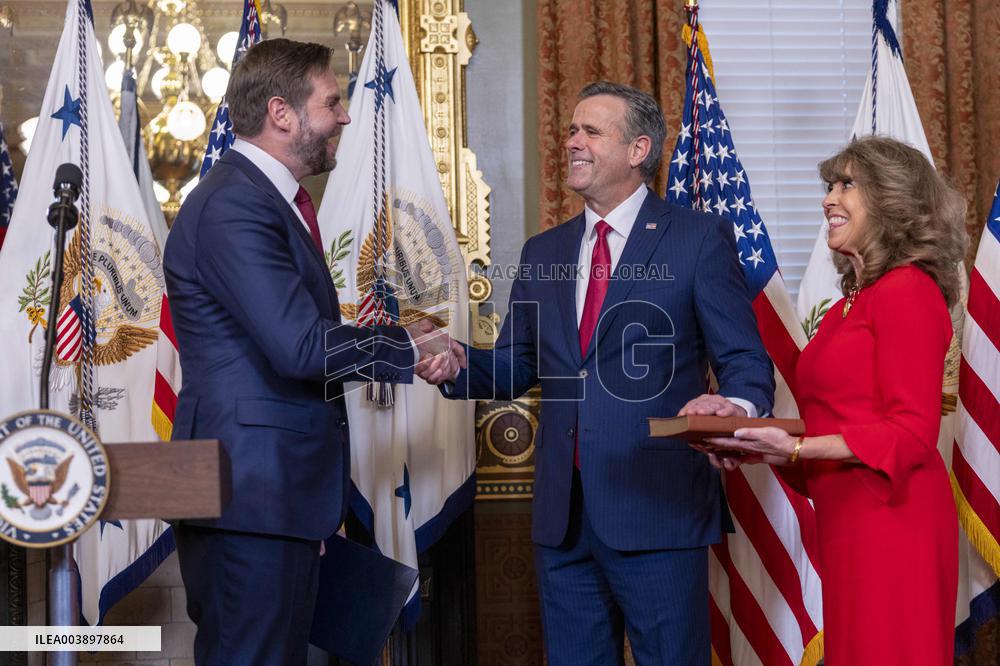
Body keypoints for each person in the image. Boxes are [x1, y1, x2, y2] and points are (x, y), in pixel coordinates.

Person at [420, 81, 774, 664]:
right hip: (564, 517)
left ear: (638, 150)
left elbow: (744, 360)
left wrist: (734, 408)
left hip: (656, 508)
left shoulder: (696, 238)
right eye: (570, 130)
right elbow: (517, 365)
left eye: (591, 131)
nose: (573, 142)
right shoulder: (544, 251)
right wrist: (455, 360)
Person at [163, 38, 455, 664]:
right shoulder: (235, 204)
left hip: (273, 496)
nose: (345, 116)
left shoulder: (269, 200)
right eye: (332, 101)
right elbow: (299, 346)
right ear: (282, 113)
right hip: (247, 495)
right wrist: (411, 342)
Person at [700, 136, 966, 664]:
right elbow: (835, 423)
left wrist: (796, 450)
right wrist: (754, 444)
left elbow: (911, 433)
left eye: (847, 184)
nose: (828, 198)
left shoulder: (907, 290)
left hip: (894, 522)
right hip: (847, 521)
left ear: (893, 200)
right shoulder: (851, 304)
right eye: (829, 185)